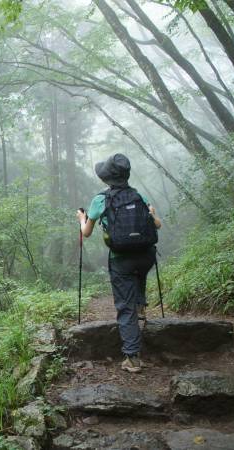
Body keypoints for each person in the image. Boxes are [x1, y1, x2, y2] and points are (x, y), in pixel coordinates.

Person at [75, 153, 162, 373]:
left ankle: (132, 359)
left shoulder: (101, 200)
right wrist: (152, 213)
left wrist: (81, 219)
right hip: (146, 256)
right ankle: (140, 302)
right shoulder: (137, 195)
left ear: (106, 179)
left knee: (125, 308)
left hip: (121, 259)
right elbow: (157, 225)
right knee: (139, 272)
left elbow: (86, 232)